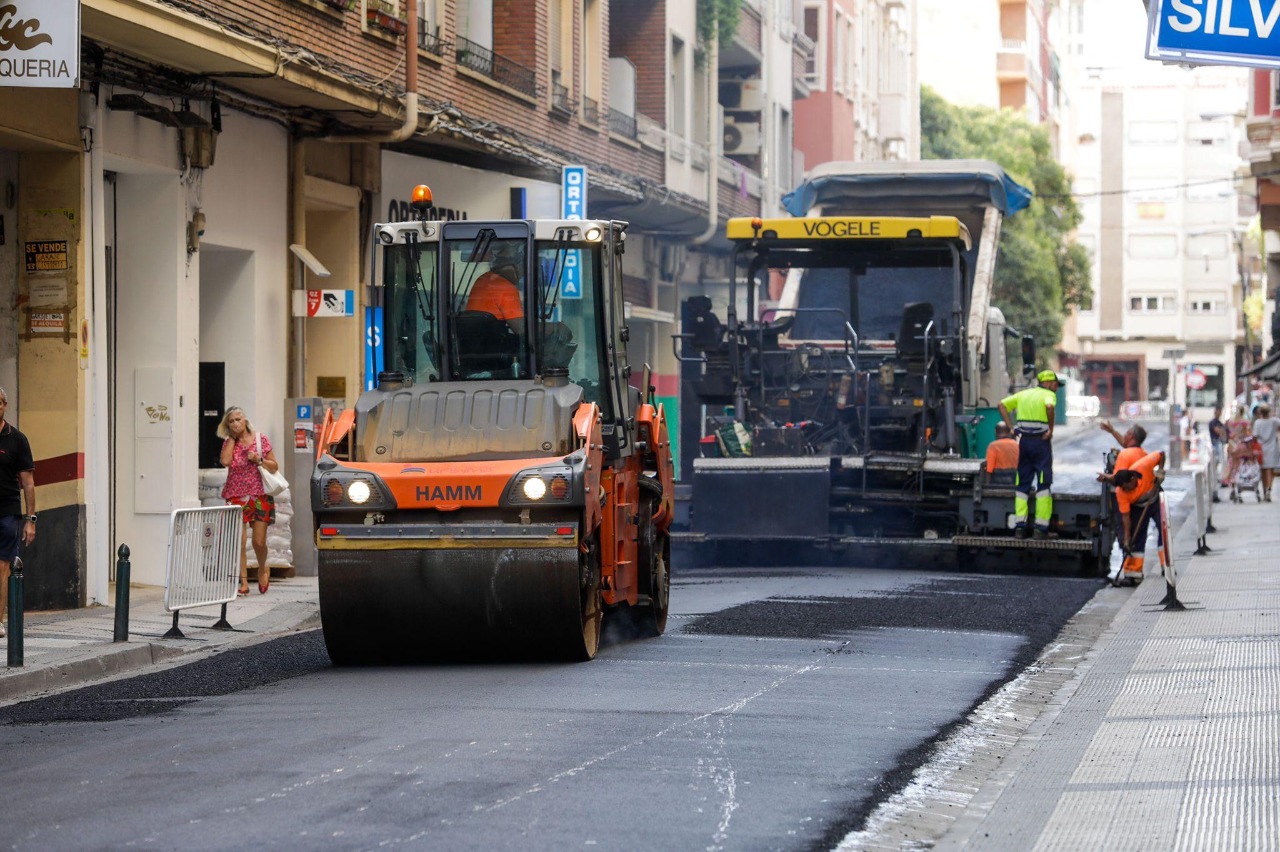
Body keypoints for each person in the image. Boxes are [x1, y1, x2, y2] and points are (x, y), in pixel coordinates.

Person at [218, 407, 280, 595]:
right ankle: (243, 582)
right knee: (240, 540)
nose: (235, 423)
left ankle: (262, 568)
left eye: (238, 419)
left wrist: (259, 459)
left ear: (245, 420)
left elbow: (274, 466)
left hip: (259, 495)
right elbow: (225, 461)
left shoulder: (260, 439)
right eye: (231, 421)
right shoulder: (230, 442)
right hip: (236, 495)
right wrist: (232, 438)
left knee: (258, 542)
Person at [998, 369, 1060, 539]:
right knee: (1043, 485)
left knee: (1022, 484)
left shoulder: (1024, 394)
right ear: (1048, 383)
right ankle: (1040, 529)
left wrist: (1011, 427)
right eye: (1056, 384)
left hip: (1024, 442)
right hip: (1041, 443)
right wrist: (1050, 430)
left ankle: (1020, 527)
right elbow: (1049, 406)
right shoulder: (1048, 395)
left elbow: (1001, 405)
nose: (1057, 388)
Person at [0, 387, 36, 639]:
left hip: (7, 513)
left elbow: (28, 483)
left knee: (2, 568)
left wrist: (30, 520)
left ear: (4, 405)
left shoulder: (17, 439)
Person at [1108, 449, 1166, 581]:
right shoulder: (1121, 492)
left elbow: (1161, 454)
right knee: (1137, 536)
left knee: (1164, 529)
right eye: (1123, 488)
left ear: (1133, 478)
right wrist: (1127, 538)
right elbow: (1125, 517)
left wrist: (1160, 471)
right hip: (1139, 507)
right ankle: (1134, 574)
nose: (1126, 490)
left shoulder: (1142, 466)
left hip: (1155, 499)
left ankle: (1166, 565)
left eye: (1127, 486)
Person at [465, 246, 525, 334]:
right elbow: (521, 330)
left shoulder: (483, 280)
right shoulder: (506, 288)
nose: (520, 277)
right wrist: (552, 328)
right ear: (513, 266)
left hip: (474, 342)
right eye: (522, 270)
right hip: (493, 344)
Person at [1251, 404, 1280, 501]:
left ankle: (1264, 491)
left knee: (1263, 470)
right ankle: (1269, 489)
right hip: (1272, 447)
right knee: (1270, 470)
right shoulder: (1274, 421)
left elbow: (1255, 436)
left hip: (1261, 449)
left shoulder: (1258, 423)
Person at [1223, 405, 1254, 487]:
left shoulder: (1230, 422)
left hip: (1232, 445)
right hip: (1241, 445)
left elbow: (1228, 434)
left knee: (1232, 463)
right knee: (1241, 465)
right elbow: (1248, 435)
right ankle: (1238, 480)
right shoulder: (1245, 423)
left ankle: (1231, 480)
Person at [985, 421, 1019, 485]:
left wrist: (987, 485)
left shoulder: (993, 446)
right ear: (1009, 432)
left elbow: (989, 469)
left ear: (995, 432)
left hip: (997, 482)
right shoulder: (1016, 445)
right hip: (1014, 480)